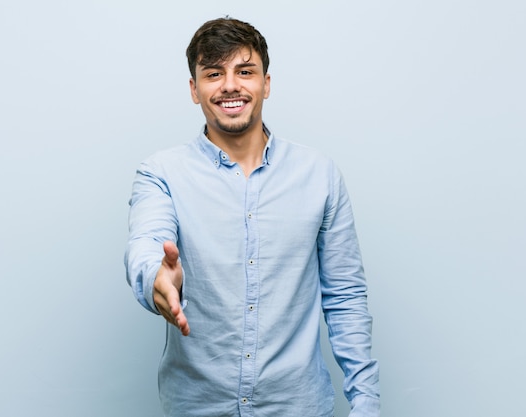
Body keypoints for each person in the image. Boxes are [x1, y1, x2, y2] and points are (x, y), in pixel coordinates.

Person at [125, 16, 380, 417]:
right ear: (194, 89)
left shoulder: (320, 174)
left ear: (266, 83)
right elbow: (145, 243)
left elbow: (345, 296)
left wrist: (366, 404)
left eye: (245, 71)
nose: (230, 85)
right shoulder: (161, 173)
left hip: (299, 407)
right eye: (214, 73)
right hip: (197, 408)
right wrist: (155, 278)